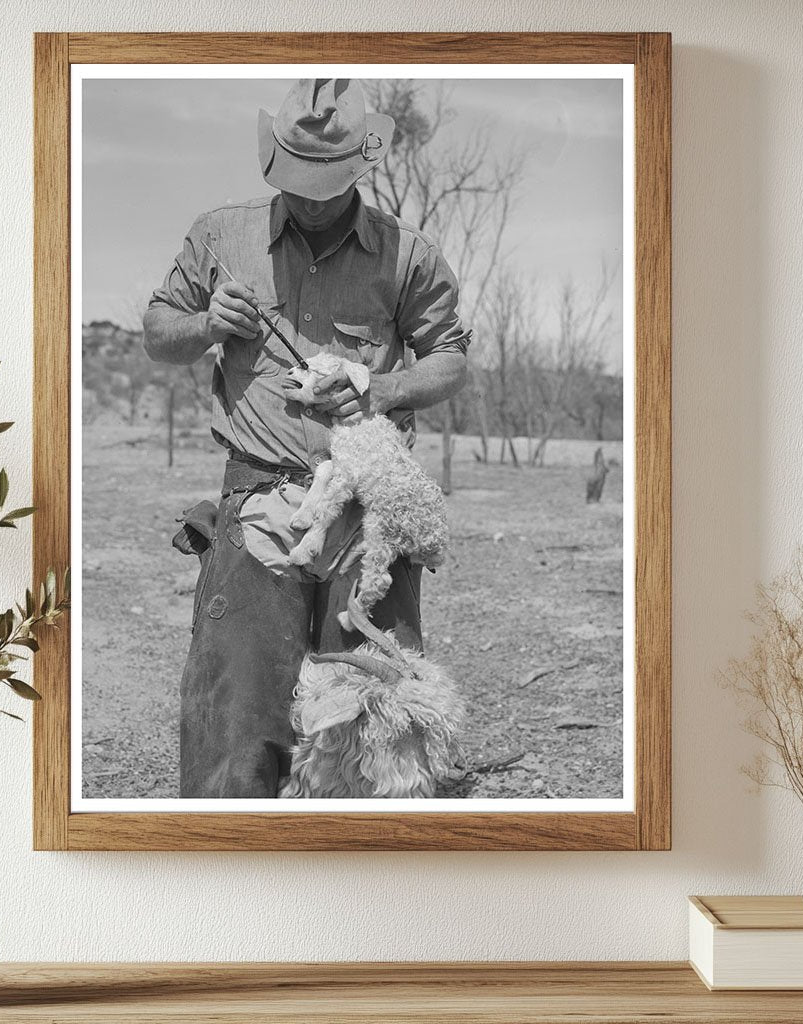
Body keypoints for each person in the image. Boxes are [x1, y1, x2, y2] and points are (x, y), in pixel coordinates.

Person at [143, 78, 470, 798]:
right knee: (240, 717)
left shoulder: (405, 254)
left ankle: (360, 876)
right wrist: (206, 325)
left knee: (370, 718)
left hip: (369, 509)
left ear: (361, 164)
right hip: (257, 501)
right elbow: (157, 334)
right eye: (300, 180)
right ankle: (236, 870)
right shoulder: (220, 236)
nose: (314, 198)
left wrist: (382, 388)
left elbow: (450, 358)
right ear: (274, 160)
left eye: (330, 183)